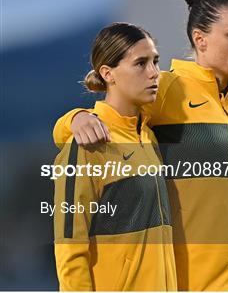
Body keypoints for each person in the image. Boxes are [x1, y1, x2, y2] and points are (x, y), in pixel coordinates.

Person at [53, 0, 228, 291]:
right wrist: (76, 118)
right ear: (200, 39)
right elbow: (109, 118)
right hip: (190, 282)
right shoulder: (166, 89)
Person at [53, 22, 177, 290]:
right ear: (108, 73)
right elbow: (70, 246)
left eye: (156, 61)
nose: (154, 73)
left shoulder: (149, 137)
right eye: (140, 64)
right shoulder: (86, 146)